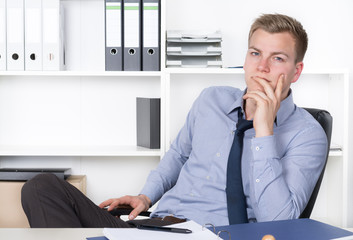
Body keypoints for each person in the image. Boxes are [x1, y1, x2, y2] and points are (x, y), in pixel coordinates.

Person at [21, 13, 327, 228]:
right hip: (158, 226)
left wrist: (264, 130)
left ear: (296, 71)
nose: (261, 67)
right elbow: (179, 154)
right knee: (41, 187)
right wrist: (145, 196)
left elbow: (280, 224)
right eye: (255, 53)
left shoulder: (308, 135)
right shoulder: (211, 99)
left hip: (218, 234)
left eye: (277, 58)